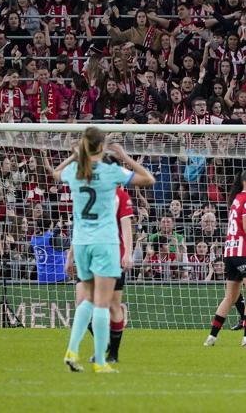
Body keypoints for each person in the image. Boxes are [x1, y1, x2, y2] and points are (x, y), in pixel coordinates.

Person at [53, 127, 155, 373]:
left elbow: (55, 173)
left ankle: (72, 348)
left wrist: (75, 156)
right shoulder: (111, 172)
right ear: (102, 146)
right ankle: (100, 362)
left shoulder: (76, 172)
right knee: (101, 303)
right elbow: (148, 179)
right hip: (105, 242)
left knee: (87, 299)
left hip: (81, 243)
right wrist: (125, 157)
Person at [66, 183, 134, 364]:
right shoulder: (87, 194)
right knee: (82, 303)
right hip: (87, 256)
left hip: (112, 257)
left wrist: (128, 253)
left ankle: (113, 354)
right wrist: (70, 255)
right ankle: (103, 343)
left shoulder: (120, 196)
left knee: (113, 306)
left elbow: (126, 227)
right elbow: (81, 227)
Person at [205, 169, 246, 348]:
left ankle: (212, 337)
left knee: (230, 297)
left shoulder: (236, 200)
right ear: (245, 183)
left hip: (230, 253)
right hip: (245, 253)